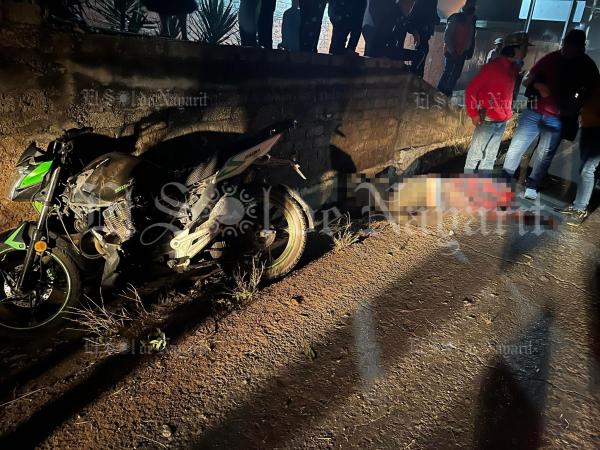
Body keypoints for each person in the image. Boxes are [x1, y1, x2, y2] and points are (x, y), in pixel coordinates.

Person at [502, 29, 599, 200]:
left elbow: (592, 94)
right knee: (517, 146)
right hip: (534, 110)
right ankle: (505, 181)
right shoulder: (551, 59)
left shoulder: (587, 67)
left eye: (573, 47)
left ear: (581, 48)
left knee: (545, 154)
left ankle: (532, 185)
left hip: (557, 117)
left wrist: (573, 109)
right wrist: (538, 85)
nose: (567, 50)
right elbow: (527, 80)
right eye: (566, 46)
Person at [464, 32, 532, 174]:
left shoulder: (512, 69)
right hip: (488, 120)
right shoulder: (493, 67)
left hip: (501, 120)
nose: (526, 52)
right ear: (514, 48)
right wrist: (473, 113)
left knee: (490, 157)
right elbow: (471, 90)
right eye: (524, 48)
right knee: (476, 155)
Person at [558, 79, 600, 226]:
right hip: (589, 129)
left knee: (587, 170)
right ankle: (578, 204)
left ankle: (580, 208)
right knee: (584, 169)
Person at [437, 0, 477, 97]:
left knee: (456, 74)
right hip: (452, 51)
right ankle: (440, 91)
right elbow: (447, 36)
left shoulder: (471, 21)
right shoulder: (456, 18)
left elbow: (470, 38)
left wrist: (468, 50)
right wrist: (452, 50)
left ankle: (447, 92)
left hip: (462, 52)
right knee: (448, 71)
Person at [408, 0, 440, 77]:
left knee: (418, 63)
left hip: (420, 37)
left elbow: (411, 18)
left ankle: (414, 78)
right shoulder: (430, 4)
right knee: (419, 63)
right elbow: (437, 20)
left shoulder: (421, 3)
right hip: (422, 37)